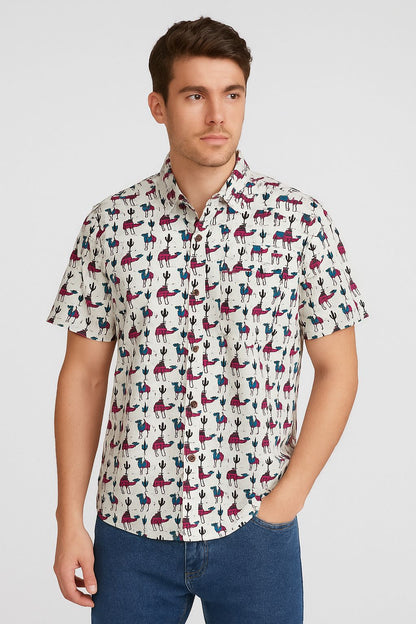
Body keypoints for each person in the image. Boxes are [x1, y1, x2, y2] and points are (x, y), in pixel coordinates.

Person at [47, 15, 370, 624]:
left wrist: (285, 501)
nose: (218, 115)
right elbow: (83, 377)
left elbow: (339, 370)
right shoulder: (111, 226)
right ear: (159, 106)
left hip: (255, 528)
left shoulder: (299, 222)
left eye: (232, 94)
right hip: (132, 529)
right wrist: (69, 520)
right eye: (195, 95)